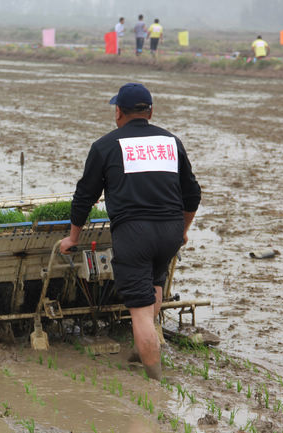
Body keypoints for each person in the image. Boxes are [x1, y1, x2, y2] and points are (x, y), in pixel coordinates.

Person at [60, 83, 201, 380]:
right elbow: (192, 195)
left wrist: (73, 238)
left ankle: (154, 382)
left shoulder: (105, 146)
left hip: (134, 234)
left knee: (139, 309)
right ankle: (142, 349)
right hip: (170, 230)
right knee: (155, 285)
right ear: (150, 111)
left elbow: (84, 196)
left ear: (118, 112)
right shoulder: (171, 142)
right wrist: (183, 231)